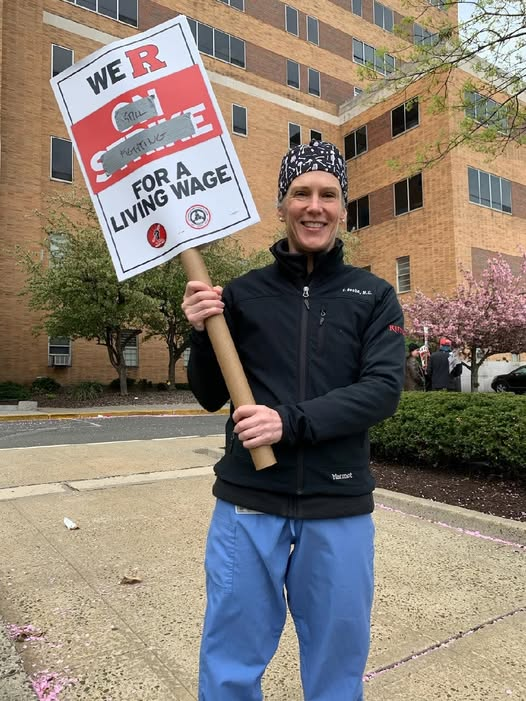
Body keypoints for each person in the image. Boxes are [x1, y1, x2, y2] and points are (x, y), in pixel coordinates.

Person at [181, 140, 406, 701]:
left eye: (328, 194)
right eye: (301, 193)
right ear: (282, 205)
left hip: (338, 507)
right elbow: (211, 396)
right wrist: (201, 329)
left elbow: (381, 391)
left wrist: (287, 422)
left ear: (343, 209)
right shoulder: (241, 293)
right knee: (230, 659)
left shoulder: (374, 296)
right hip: (247, 503)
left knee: (337, 664)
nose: (315, 206)